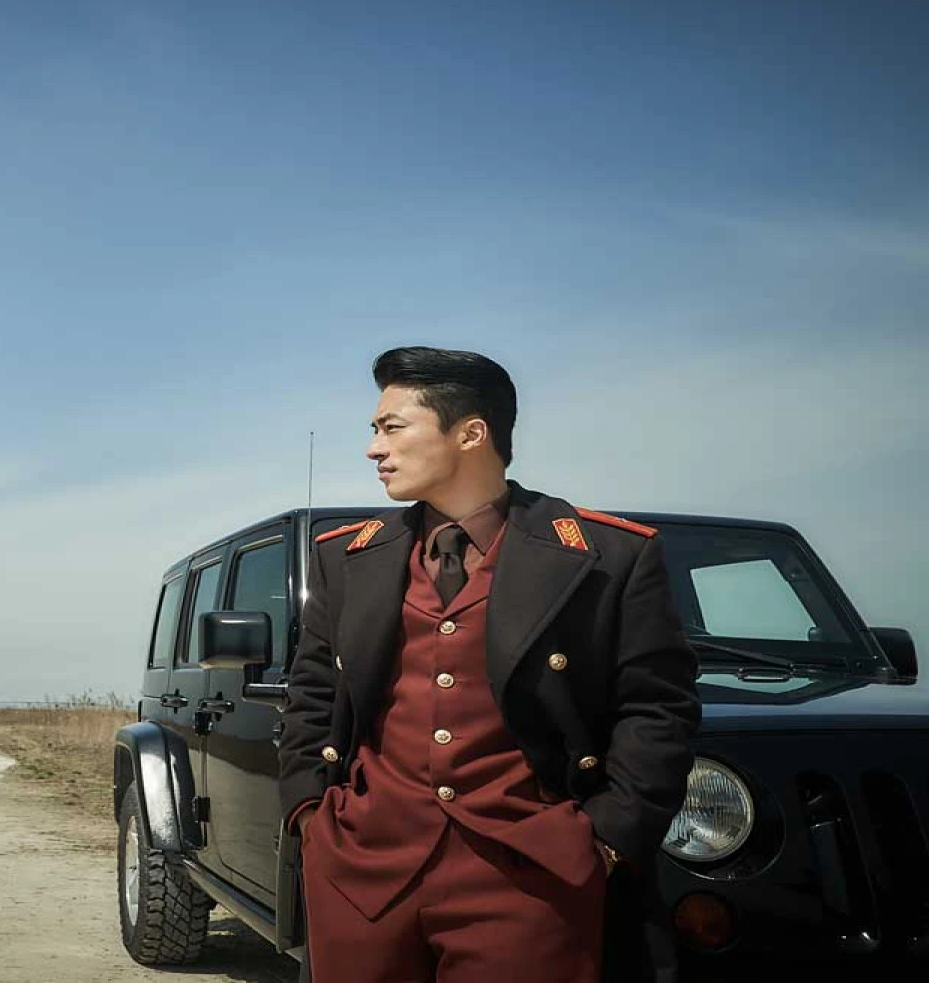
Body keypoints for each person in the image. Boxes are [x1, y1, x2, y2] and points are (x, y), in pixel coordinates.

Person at [280, 346, 700, 983]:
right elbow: (312, 695)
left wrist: (606, 841)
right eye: (375, 430)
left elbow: (657, 710)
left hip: (532, 878)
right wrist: (312, 818)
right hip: (362, 869)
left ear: (471, 433)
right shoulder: (346, 559)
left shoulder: (610, 556)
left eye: (392, 427)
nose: (373, 448)